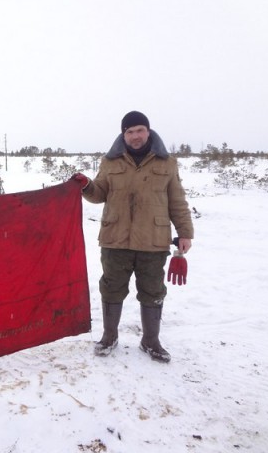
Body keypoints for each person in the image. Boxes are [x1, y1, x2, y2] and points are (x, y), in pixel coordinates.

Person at [74, 111, 194, 363]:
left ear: (148, 131)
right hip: (115, 238)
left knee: (153, 290)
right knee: (111, 288)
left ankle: (150, 340)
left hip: (153, 239)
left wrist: (185, 232)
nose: (135, 136)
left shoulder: (166, 162)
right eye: (129, 132)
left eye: (139, 130)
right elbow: (99, 194)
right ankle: (109, 336)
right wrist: (86, 186)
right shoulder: (110, 161)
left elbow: (177, 201)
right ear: (123, 135)